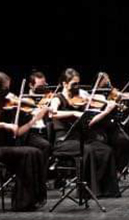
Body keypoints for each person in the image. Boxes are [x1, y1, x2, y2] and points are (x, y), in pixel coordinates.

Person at [0, 70, 51, 210]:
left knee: (36, 152)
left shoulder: (5, 105)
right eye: (4, 89)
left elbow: (19, 131)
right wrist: (3, 125)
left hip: (3, 148)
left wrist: (34, 120)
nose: (7, 92)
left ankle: (29, 201)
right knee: (29, 153)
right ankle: (23, 202)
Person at [51, 68, 121, 199]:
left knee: (106, 150)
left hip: (80, 139)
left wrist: (107, 108)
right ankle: (88, 190)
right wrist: (72, 113)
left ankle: (106, 190)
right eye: (74, 84)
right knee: (88, 150)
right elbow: (52, 113)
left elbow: (89, 121)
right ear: (64, 84)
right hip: (64, 140)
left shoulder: (80, 98)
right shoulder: (57, 98)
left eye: (78, 83)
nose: (77, 87)